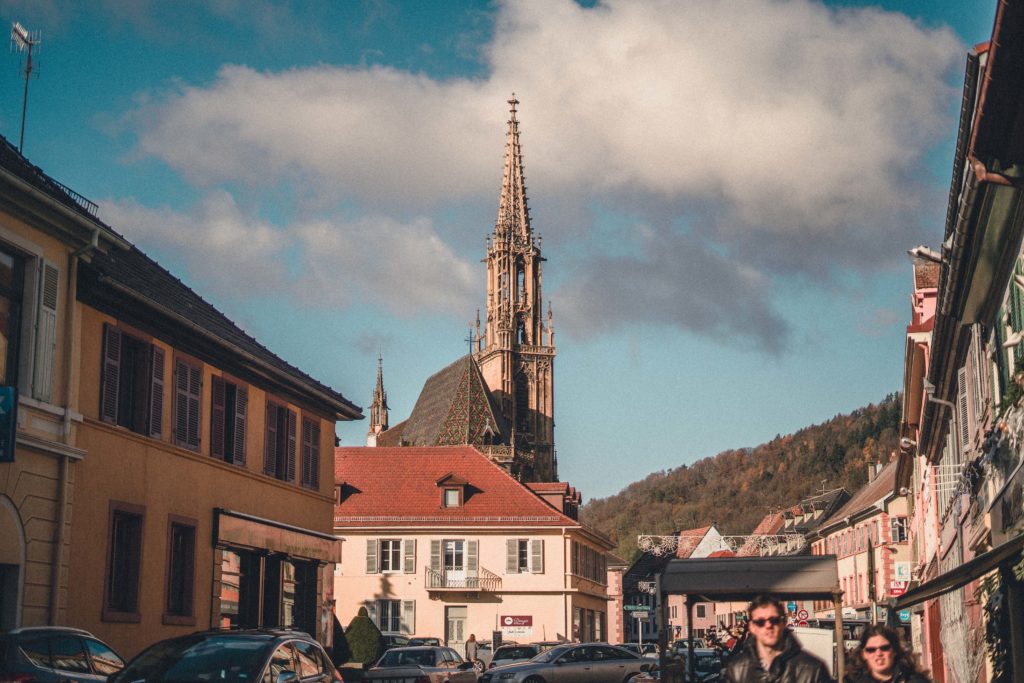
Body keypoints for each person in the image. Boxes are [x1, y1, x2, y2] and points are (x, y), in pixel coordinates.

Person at [722, 595, 831, 683]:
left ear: (784, 623)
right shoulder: (737, 669)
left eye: (774, 620)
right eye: (760, 622)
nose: (768, 625)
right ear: (752, 627)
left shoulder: (812, 669)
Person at [844, 625, 929, 683]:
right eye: (871, 650)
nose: (878, 653)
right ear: (864, 654)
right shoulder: (851, 681)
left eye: (884, 648)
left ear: (894, 651)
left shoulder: (915, 680)